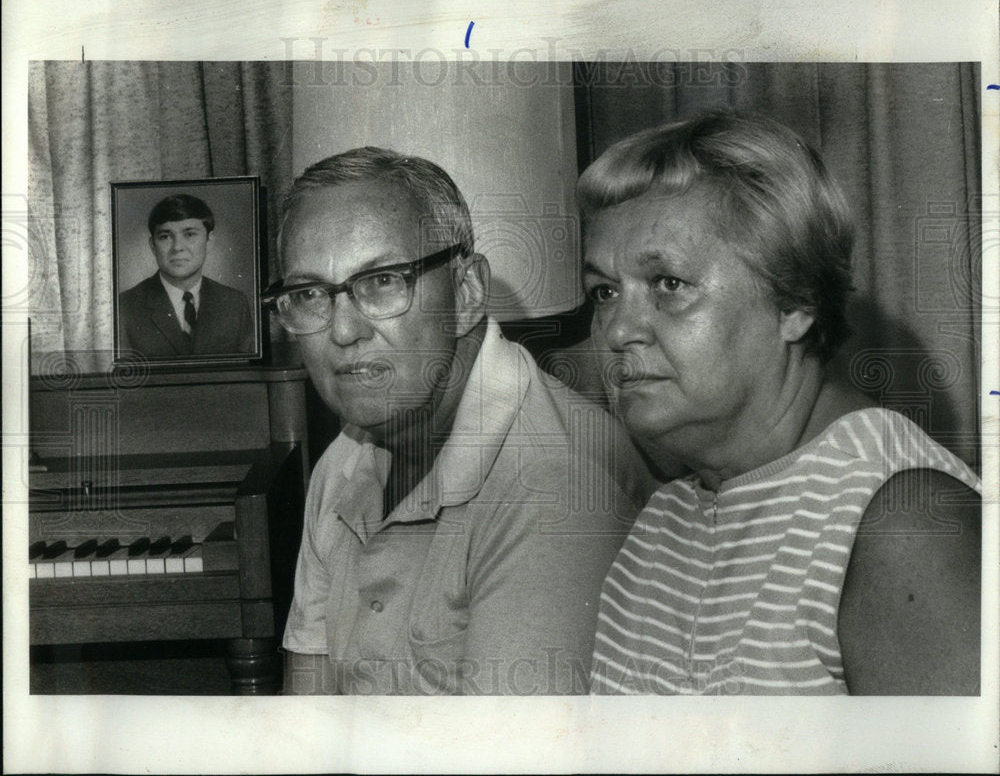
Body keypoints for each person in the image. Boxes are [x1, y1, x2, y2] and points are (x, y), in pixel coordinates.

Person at [580, 110, 982, 695]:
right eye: (605, 292)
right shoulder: (663, 524)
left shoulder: (903, 522)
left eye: (669, 284)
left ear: (794, 301)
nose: (617, 331)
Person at [266, 147, 652, 695]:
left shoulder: (561, 484)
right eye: (308, 295)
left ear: (467, 292)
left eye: (382, 282)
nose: (344, 331)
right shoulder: (344, 463)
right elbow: (304, 730)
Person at [119, 193, 254, 358]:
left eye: (189, 234)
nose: (177, 247)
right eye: (165, 237)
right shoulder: (124, 308)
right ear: (152, 246)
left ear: (209, 241)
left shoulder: (235, 304)